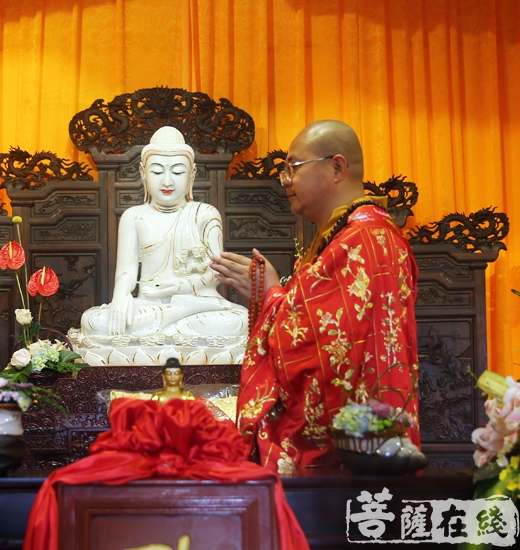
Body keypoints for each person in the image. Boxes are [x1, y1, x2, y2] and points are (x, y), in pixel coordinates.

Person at [210, 120, 420, 474]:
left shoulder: (364, 240)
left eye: (293, 167)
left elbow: (323, 345)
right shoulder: (349, 235)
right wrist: (275, 293)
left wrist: (272, 294)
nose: (286, 181)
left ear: (337, 167)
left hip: (357, 449)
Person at [69, 126, 249, 366]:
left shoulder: (205, 214)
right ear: (143, 173)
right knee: (94, 322)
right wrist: (121, 297)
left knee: (237, 322)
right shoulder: (133, 216)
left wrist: (180, 286)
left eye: (177, 172)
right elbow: (126, 272)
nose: (167, 181)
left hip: (199, 307)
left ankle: (177, 316)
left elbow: (215, 274)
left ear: (192, 174)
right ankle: (174, 324)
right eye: (157, 171)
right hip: (148, 306)